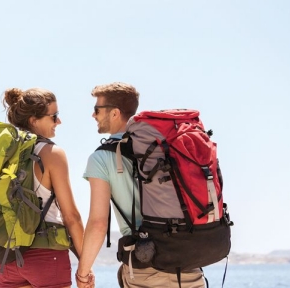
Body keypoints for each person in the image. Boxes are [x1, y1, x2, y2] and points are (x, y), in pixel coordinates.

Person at [75, 82, 205, 288]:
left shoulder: (101, 158)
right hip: (188, 264)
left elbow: (98, 223)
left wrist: (83, 272)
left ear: (115, 113)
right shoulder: (164, 148)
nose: (94, 115)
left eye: (97, 109)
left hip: (146, 267)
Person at [0, 88, 86, 288]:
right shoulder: (52, 153)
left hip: (5, 258)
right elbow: (71, 216)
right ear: (34, 120)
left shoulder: (0, 153)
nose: (58, 122)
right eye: (54, 116)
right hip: (46, 256)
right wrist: (85, 267)